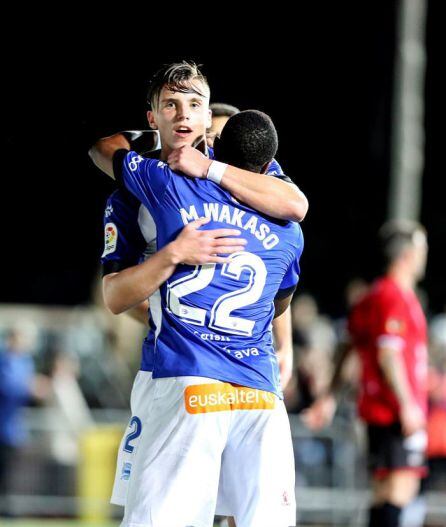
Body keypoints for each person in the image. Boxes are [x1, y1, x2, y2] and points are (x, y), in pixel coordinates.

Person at [96, 63, 306, 511]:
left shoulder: (162, 183)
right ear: (153, 116)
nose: (183, 114)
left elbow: (103, 146)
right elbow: (116, 297)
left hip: (187, 372)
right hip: (236, 377)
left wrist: (169, 261)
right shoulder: (268, 204)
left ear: (210, 122)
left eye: (194, 105)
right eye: (171, 104)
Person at [304, 220, 429, 527]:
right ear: (409, 254)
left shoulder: (373, 296)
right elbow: (389, 355)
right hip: (391, 412)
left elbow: (348, 345)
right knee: (398, 489)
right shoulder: (392, 296)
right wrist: (407, 405)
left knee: (387, 492)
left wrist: (329, 396)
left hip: (380, 412)